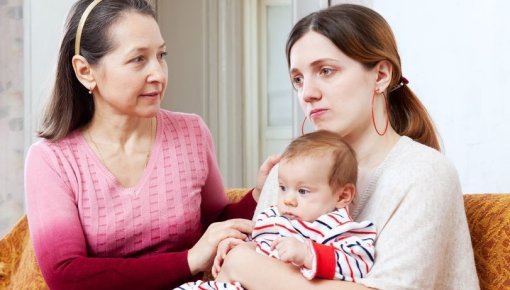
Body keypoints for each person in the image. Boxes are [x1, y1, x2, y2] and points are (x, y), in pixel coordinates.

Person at [215, 4, 480, 290]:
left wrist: (244, 264)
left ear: (380, 76)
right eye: (298, 79)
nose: (307, 93)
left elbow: (247, 269)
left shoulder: (424, 174)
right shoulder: (285, 173)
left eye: (326, 71)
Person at [24, 1, 257, 289]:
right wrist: (189, 261)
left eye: (161, 55)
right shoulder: (52, 160)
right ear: (85, 71)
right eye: (138, 59)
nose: (158, 74)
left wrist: (260, 194)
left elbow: (217, 224)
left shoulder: (191, 132)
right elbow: (67, 275)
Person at [176, 130, 377, 290]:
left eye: (303, 191)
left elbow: (358, 266)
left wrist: (309, 254)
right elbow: (255, 246)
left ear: (342, 196)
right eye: (282, 188)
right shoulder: (273, 217)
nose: (288, 199)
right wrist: (234, 244)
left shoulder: (339, 228)